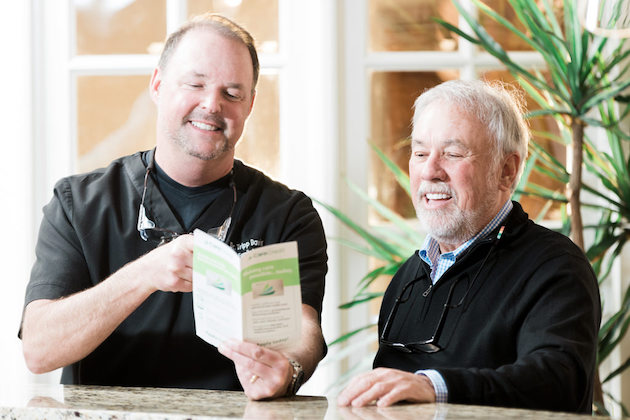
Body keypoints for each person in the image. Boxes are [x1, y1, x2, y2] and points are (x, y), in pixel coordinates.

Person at [20, 13, 327, 400]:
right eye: (195, 84)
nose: (212, 104)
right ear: (158, 85)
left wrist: (290, 368)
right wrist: (144, 274)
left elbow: (302, 329)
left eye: (232, 93)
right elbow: (38, 349)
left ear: (250, 105)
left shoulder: (286, 214)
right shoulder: (78, 204)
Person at [337, 80, 600, 413]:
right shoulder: (408, 277)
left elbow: (558, 383)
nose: (430, 170)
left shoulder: (555, 266)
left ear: (507, 170)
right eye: (420, 153)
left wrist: (436, 387)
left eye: (453, 153)